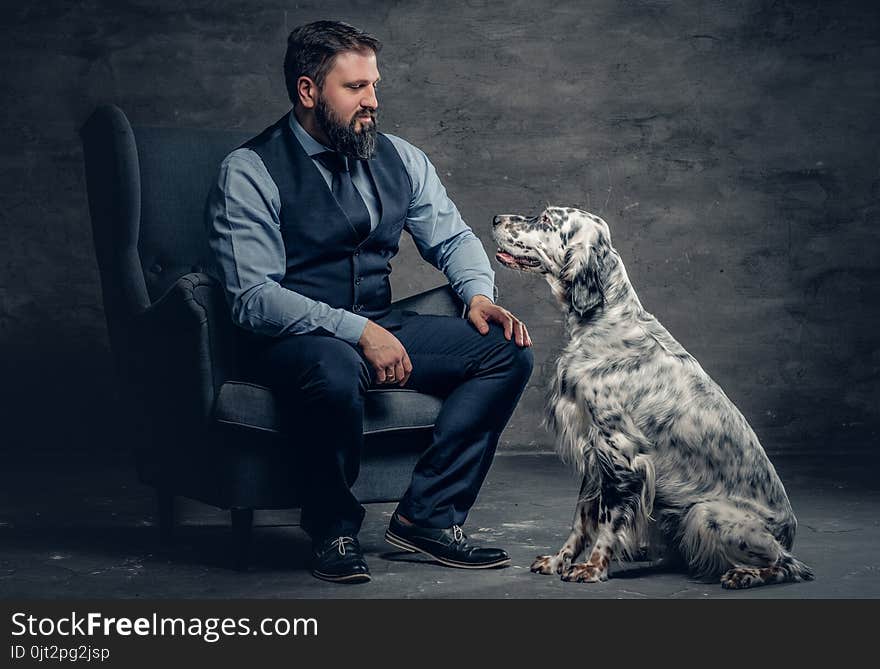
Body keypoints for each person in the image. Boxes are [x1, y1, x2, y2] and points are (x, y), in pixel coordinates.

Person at [205, 20, 533, 584]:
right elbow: (253, 298)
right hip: (292, 339)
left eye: (374, 86)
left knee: (505, 351)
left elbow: (452, 238)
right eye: (356, 88)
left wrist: (478, 294)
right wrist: (354, 331)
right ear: (309, 92)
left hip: (378, 321)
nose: (372, 102)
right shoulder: (250, 171)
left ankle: (427, 518)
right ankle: (333, 530)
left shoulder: (400, 158)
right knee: (333, 368)